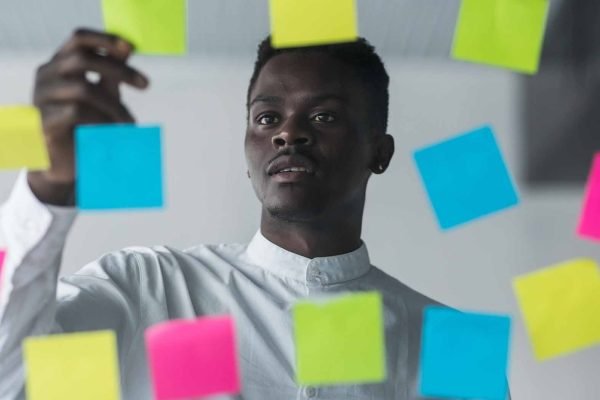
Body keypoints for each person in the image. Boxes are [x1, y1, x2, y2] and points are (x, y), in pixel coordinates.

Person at [0, 28, 500, 400]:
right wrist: (47, 189)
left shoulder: (451, 343)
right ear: (249, 153)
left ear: (379, 152)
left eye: (323, 116)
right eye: (267, 118)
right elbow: (14, 377)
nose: (288, 134)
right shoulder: (149, 287)